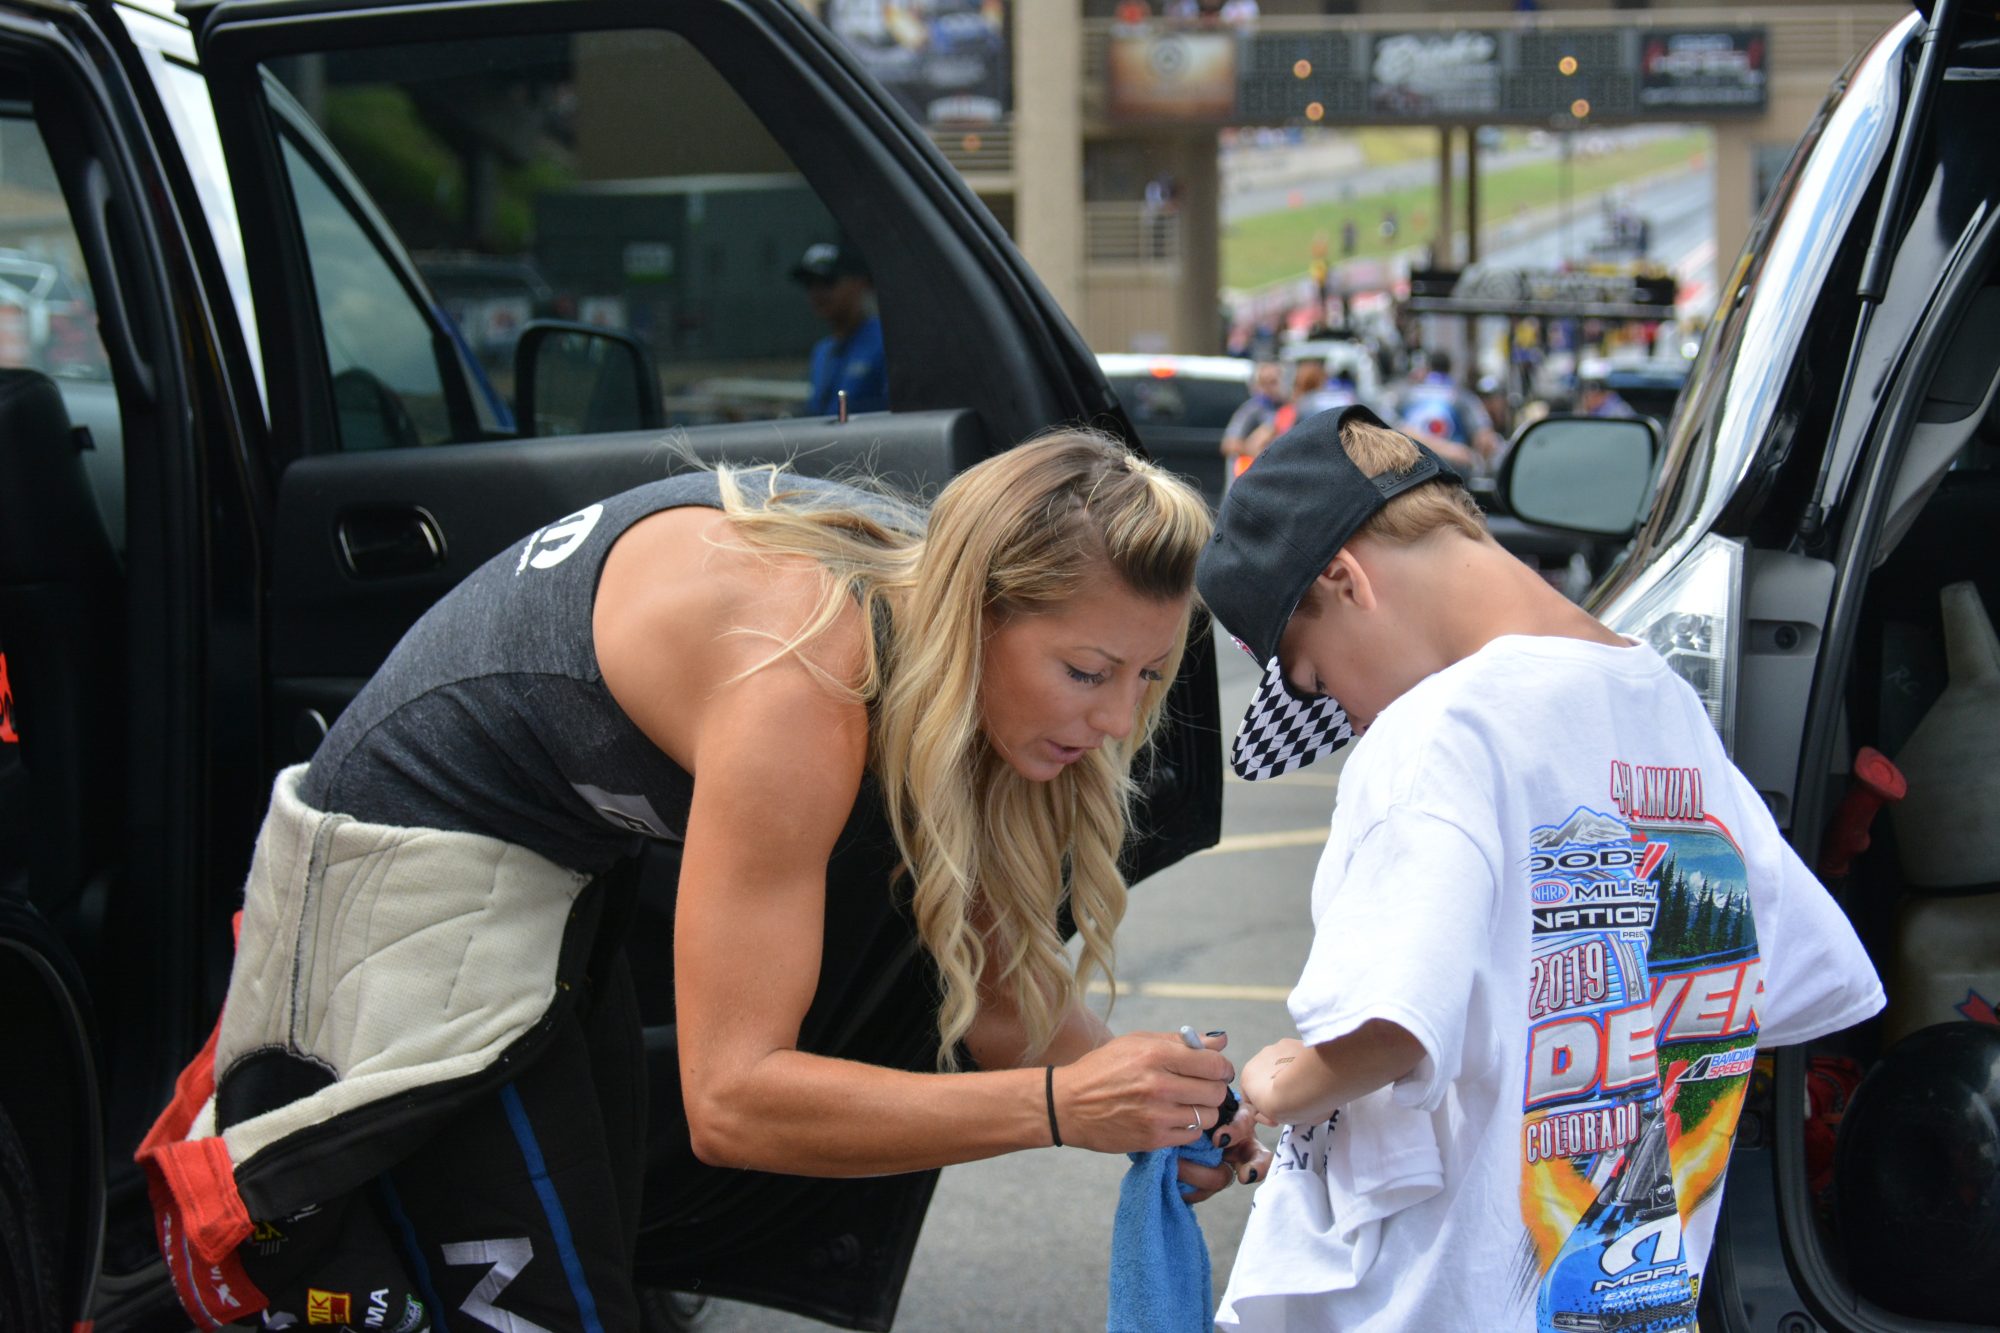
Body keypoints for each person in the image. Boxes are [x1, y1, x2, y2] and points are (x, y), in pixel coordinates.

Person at [138, 435, 1267, 1332]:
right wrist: (1064, 1110)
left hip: (550, 881)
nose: (1118, 718)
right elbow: (733, 1102)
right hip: (398, 888)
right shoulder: (805, 678)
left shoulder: (941, 621)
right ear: (980, 613)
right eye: (1085, 672)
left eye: (1150, 675)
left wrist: (1160, 1113)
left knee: (602, 1267)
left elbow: (1004, 999)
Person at [1196, 406, 1884, 1330]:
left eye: (1320, 680)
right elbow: (1790, 975)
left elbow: (1393, 1026)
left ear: (1345, 576)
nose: (1351, 719)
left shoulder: (1435, 733)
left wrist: (1279, 1080)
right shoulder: (1665, 706)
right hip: (1624, 1292)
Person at [793, 240, 888, 416]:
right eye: (809, 284)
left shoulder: (885, 344)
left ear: (860, 283)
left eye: (828, 281)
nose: (817, 292)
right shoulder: (822, 351)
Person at [1393, 349, 1496, 474]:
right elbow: (1486, 440)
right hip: (1454, 470)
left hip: (1410, 469)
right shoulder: (1462, 396)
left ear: (1427, 368)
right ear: (1450, 368)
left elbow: (1391, 428)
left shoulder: (1404, 396)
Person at [1222, 361, 1284, 483]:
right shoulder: (1251, 410)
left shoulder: (1288, 409)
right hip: (1247, 482)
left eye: (1273, 382)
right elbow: (1229, 444)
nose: (1269, 388)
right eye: (1264, 383)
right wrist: (1258, 449)